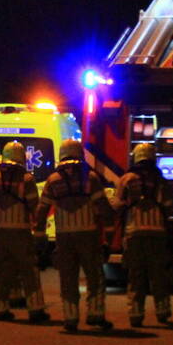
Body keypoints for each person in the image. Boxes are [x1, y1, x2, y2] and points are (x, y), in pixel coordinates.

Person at [35, 139, 115, 332]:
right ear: (79, 154)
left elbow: (42, 210)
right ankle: (95, 314)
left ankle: (70, 318)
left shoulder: (53, 180)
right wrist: (109, 236)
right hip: (89, 235)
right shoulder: (92, 178)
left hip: (64, 237)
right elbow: (104, 209)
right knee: (95, 276)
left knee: (68, 278)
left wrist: (39, 236)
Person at [0, 141, 49, 323]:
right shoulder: (27, 179)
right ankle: (36, 309)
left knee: (1, 270)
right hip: (21, 232)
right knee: (29, 270)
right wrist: (38, 231)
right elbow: (33, 206)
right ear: (21, 157)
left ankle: (0, 309)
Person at [111, 142, 173, 327]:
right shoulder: (161, 180)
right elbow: (169, 207)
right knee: (158, 275)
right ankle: (163, 312)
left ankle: (136, 316)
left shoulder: (127, 178)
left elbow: (117, 206)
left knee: (136, 275)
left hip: (134, 233)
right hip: (158, 233)